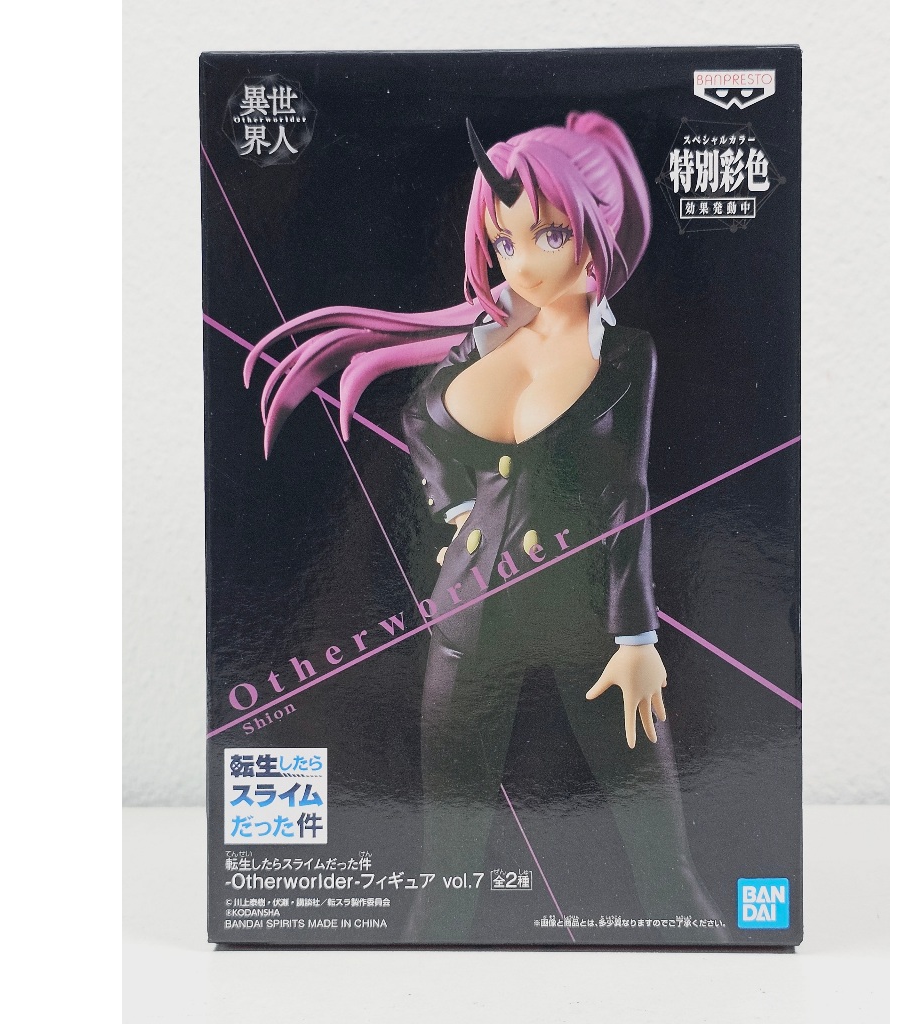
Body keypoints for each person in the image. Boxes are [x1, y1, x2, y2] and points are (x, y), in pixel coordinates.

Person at [244, 112, 726, 942]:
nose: (523, 262)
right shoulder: (479, 345)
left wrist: (637, 637)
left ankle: (724, 976)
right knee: (447, 876)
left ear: (597, 231)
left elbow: (626, 497)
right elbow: (422, 420)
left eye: (549, 233)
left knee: (665, 870)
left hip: (590, 628)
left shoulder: (626, 356)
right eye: (505, 242)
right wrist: (457, 506)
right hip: (467, 623)